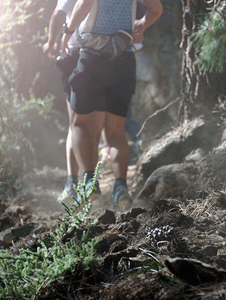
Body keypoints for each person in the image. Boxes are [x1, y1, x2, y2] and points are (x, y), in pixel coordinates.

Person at [61, 0, 162, 211]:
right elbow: (156, 9)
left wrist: (68, 30)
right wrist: (140, 26)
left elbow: (86, 3)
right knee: (116, 132)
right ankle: (120, 188)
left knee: (79, 123)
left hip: (93, 58)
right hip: (123, 60)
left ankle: (90, 181)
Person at [43, 0, 85, 205]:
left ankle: (73, 183)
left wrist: (51, 42)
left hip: (75, 54)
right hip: (104, 54)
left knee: (74, 122)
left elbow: (59, 14)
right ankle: (88, 182)